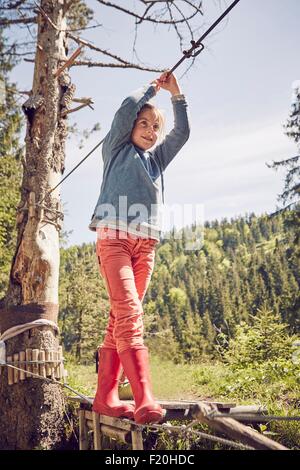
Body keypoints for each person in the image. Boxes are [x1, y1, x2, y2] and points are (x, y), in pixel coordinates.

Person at [89, 71, 190, 424]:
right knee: (131, 312)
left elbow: (182, 133)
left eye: (154, 127)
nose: (149, 130)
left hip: (145, 246)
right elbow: (128, 108)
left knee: (121, 316)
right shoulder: (117, 149)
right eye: (143, 123)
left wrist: (177, 97)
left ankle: (105, 396)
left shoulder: (156, 161)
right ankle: (145, 397)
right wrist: (153, 88)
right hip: (113, 238)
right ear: (129, 127)